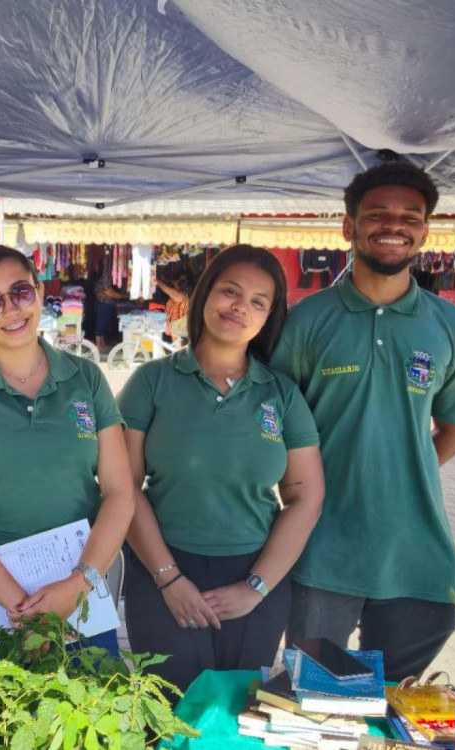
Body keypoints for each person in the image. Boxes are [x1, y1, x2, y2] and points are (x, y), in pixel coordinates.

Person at [271, 161, 455, 682]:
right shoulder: (306, 320)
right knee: (315, 696)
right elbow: (273, 426)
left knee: (396, 703)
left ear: (424, 231)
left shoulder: (454, 328)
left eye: (410, 216)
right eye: (378, 213)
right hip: (320, 551)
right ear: (349, 226)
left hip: (418, 555)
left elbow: (454, 430)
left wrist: (400, 476)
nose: (394, 225)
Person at [119, 245, 324, 693]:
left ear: (269, 316)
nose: (240, 308)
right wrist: (168, 578)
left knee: (236, 719)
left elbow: (306, 497)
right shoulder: (151, 383)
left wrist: (255, 587)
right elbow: (122, 488)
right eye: (230, 292)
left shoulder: (281, 395)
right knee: (168, 718)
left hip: (254, 576)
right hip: (163, 572)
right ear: (205, 295)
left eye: (258, 302)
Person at [0, 245, 135, 653]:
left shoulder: (86, 379)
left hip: (79, 596)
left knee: (88, 713)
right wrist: (24, 610)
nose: (10, 309)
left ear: (39, 294)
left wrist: (77, 586)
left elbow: (120, 492)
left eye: (20, 292)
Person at [94, 274, 128, 351]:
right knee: (100, 325)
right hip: (102, 306)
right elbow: (113, 294)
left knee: (103, 325)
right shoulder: (103, 283)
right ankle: (98, 346)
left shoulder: (105, 283)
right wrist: (126, 296)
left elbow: (111, 294)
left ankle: (102, 344)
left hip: (106, 306)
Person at [155, 273, 189, 342]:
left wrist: (156, 280)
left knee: (175, 344)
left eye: (176, 282)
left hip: (173, 328)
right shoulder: (181, 296)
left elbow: (166, 289)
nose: (173, 283)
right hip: (169, 326)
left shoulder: (180, 296)